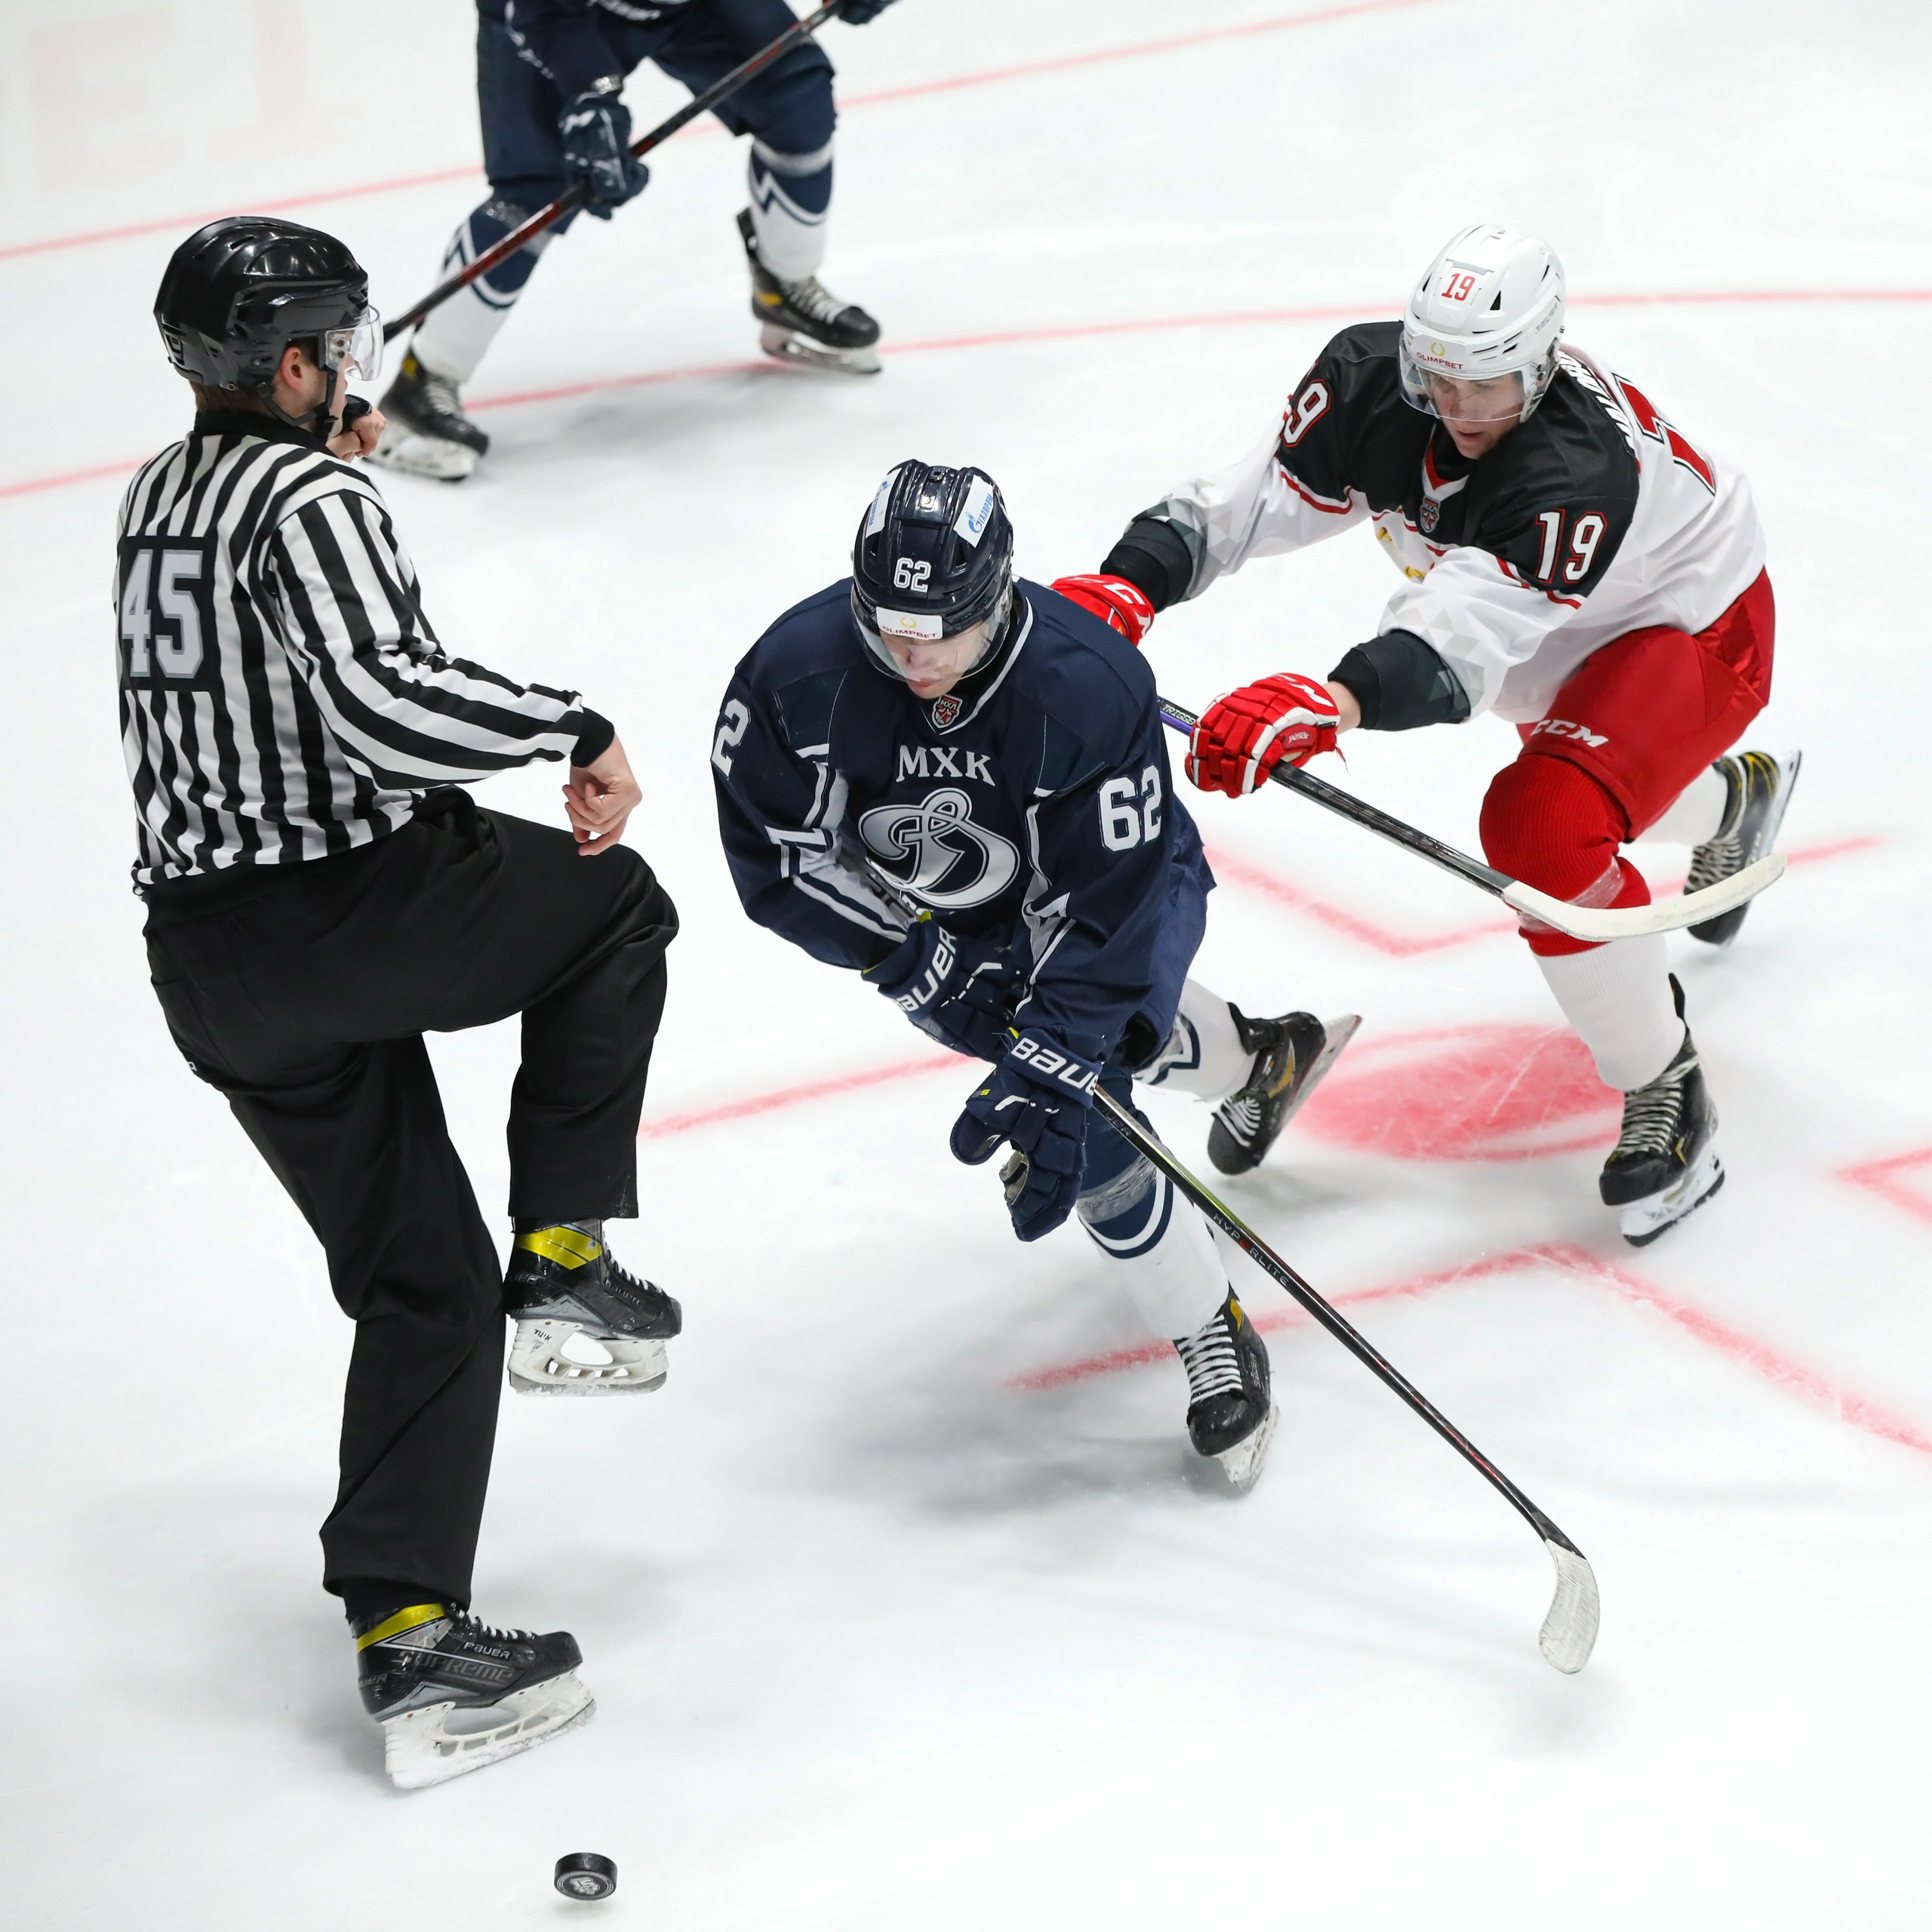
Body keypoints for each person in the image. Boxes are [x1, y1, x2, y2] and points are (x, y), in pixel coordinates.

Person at [130, 216, 682, 1787]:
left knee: (425, 1281)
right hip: (338, 910)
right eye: (339, 349)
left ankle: (412, 1639)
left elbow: (268, 641)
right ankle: (568, 1257)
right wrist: (566, 721)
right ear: (291, 363)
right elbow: (382, 697)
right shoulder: (307, 494)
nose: (357, 371)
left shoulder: (165, 493)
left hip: (211, 965)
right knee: (614, 910)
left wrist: (345, 468)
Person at [1073, 223, 1799, 1247]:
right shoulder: (1377, 381)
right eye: (1436, 377)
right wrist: (1131, 578)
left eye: (1485, 386)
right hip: (1566, 614)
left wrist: (1333, 702)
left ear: (1540, 367)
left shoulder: (1572, 473)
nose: (1454, 408)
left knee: (1543, 827)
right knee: (1586, 786)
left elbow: (1453, 643)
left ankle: (1667, 1080)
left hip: (1692, 615)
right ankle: (1736, 802)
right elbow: (1255, 498)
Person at [711, 460, 1358, 1490]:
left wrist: (1058, 1055)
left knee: (1091, 1112)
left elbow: (1108, 905)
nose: (915, 657)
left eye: (942, 634)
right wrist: (907, 953)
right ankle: (1264, 1060)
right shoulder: (797, 674)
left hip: (1112, 902)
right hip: (941, 927)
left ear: (1000, 596)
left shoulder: (1085, 687)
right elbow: (779, 856)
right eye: (891, 628)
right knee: (1090, 1078)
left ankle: (1208, 1324)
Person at [372, 0, 896, 481]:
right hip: (556, 12)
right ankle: (426, 378)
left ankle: (787, 287)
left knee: (796, 99)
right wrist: (591, 96)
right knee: (535, 190)